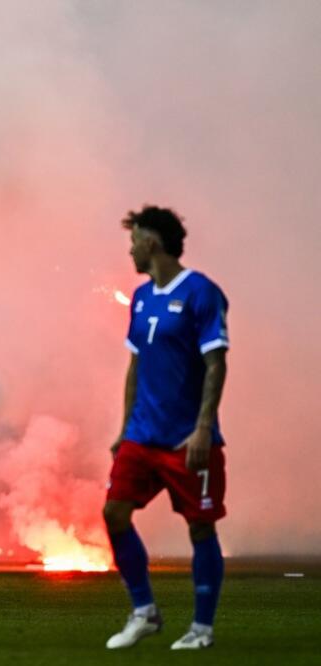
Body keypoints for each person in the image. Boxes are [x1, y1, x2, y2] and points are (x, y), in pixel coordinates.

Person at [104, 206, 229, 650]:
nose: (131, 249)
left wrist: (202, 429)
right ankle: (145, 611)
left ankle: (201, 629)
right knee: (113, 513)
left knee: (200, 528)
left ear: (152, 243)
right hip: (142, 436)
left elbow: (216, 364)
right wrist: (124, 429)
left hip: (185, 440)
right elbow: (136, 365)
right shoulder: (140, 297)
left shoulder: (202, 293)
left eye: (134, 241)